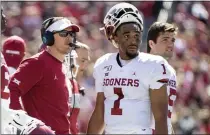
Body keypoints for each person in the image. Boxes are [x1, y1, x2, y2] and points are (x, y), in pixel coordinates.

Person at [87, 2, 170, 134]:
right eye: (126, 35)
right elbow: (99, 113)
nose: (133, 40)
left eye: (136, 35)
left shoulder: (154, 64)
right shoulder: (103, 65)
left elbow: (160, 117)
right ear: (114, 35)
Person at [8, 17, 80, 134]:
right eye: (63, 33)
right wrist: (20, 118)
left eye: (71, 34)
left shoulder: (62, 66)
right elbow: (12, 87)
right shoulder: (37, 62)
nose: (69, 38)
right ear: (49, 38)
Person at [147, 22, 178, 134]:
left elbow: (167, 116)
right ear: (151, 43)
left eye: (172, 40)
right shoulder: (141, 66)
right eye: (165, 40)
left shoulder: (171, 71)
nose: (170, 44)